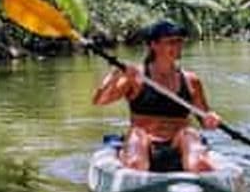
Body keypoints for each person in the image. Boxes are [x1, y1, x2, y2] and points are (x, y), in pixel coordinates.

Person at [92, 19, 221, 173]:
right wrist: (115, 75)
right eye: (171, 42)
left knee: (191, 135)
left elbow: (205, 121)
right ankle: (128, 162)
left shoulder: (191, 80)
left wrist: (212, 118)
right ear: (153, 45)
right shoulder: (136, 77)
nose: (178, 46)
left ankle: (200, 172)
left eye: (180, 41)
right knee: (136, 142)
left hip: (178, 143)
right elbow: (100, 101)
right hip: (144, 140)